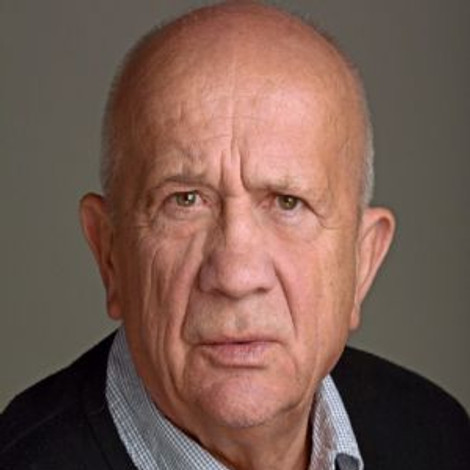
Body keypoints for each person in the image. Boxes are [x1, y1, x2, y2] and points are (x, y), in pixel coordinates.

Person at [1, 2, 469, 469]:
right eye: (185, 200)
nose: (236, 276)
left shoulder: (439, 438)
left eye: (288, 202)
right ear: (109, 254)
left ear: (363, 260)